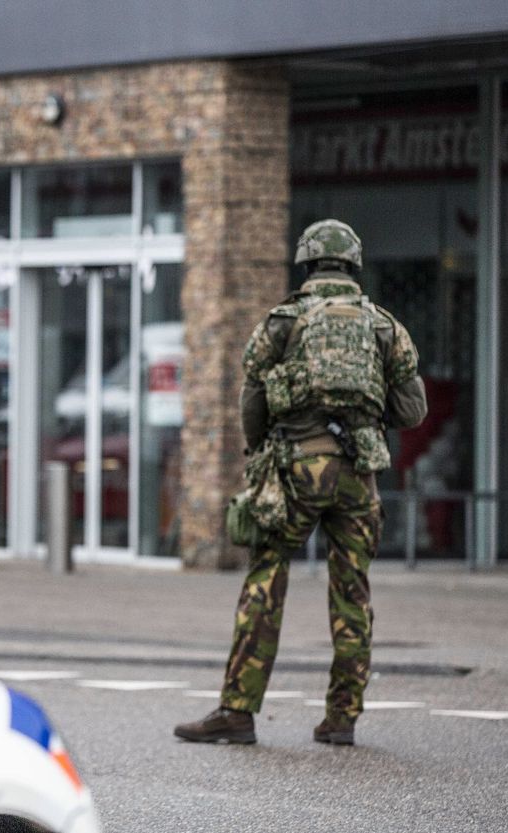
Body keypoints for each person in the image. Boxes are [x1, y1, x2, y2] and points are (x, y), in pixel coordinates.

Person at [175, 219, 426, 746]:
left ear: (307, 263)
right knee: (352, 591)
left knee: (266, 580)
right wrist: (367, 411)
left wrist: (262, 445)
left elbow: (252, 399)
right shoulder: (384, 326)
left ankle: (237, 712)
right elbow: (413, 409)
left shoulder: (282, 322)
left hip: (296, 470)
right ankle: (342, 719)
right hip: (359, 475)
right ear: (354, 264)